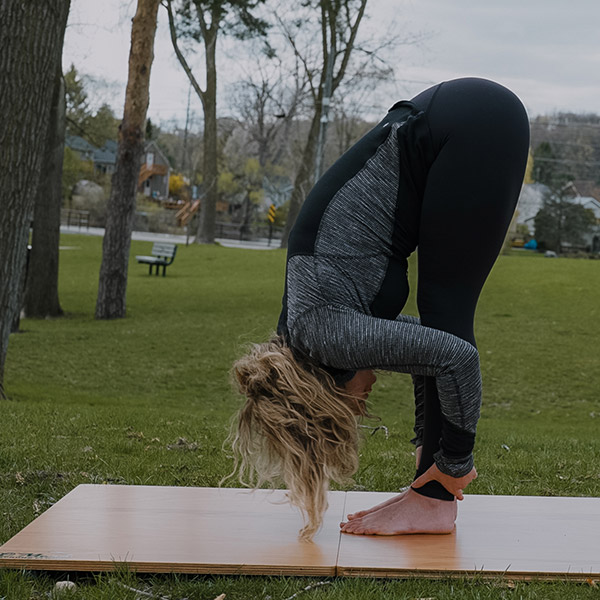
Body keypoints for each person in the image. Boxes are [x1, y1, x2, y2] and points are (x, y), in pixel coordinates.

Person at [229, 78, 530, 540]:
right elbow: (423, 351)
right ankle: (430, 495)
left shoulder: (323, 334)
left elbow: (455, 357)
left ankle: (436, 501)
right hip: (460, 115)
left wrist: (452, 460)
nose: (362, 406)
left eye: (348, 411)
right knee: (438, 319)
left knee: (446, 311)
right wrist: (426, 444)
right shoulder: (312, 329)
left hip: (470, 126)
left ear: (319, 397)